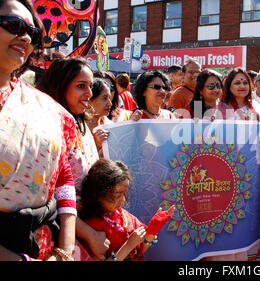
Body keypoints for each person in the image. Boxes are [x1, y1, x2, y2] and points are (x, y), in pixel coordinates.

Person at [0, 0, 78, 261]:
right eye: (14, 25)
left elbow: (62, 179)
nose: (24, 36)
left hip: (44, 250)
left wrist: (65, 251)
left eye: (32, 33)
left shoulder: (47, 109)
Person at [36, 57, 113, 261]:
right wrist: (88, 234)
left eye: (89, 86)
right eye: (81, 86)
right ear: (59, 86)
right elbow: (55, 195)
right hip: (62, 233)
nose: (89, 93)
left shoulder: (81, 125)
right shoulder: (47, 129)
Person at [79, 159, 174, 261]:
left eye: (124, 194)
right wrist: (129, 245)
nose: (123, 199)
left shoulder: (122, 214)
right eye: (118, 195)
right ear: (98, 195)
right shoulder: (93, 226)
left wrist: (153, 230)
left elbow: (139, 251)